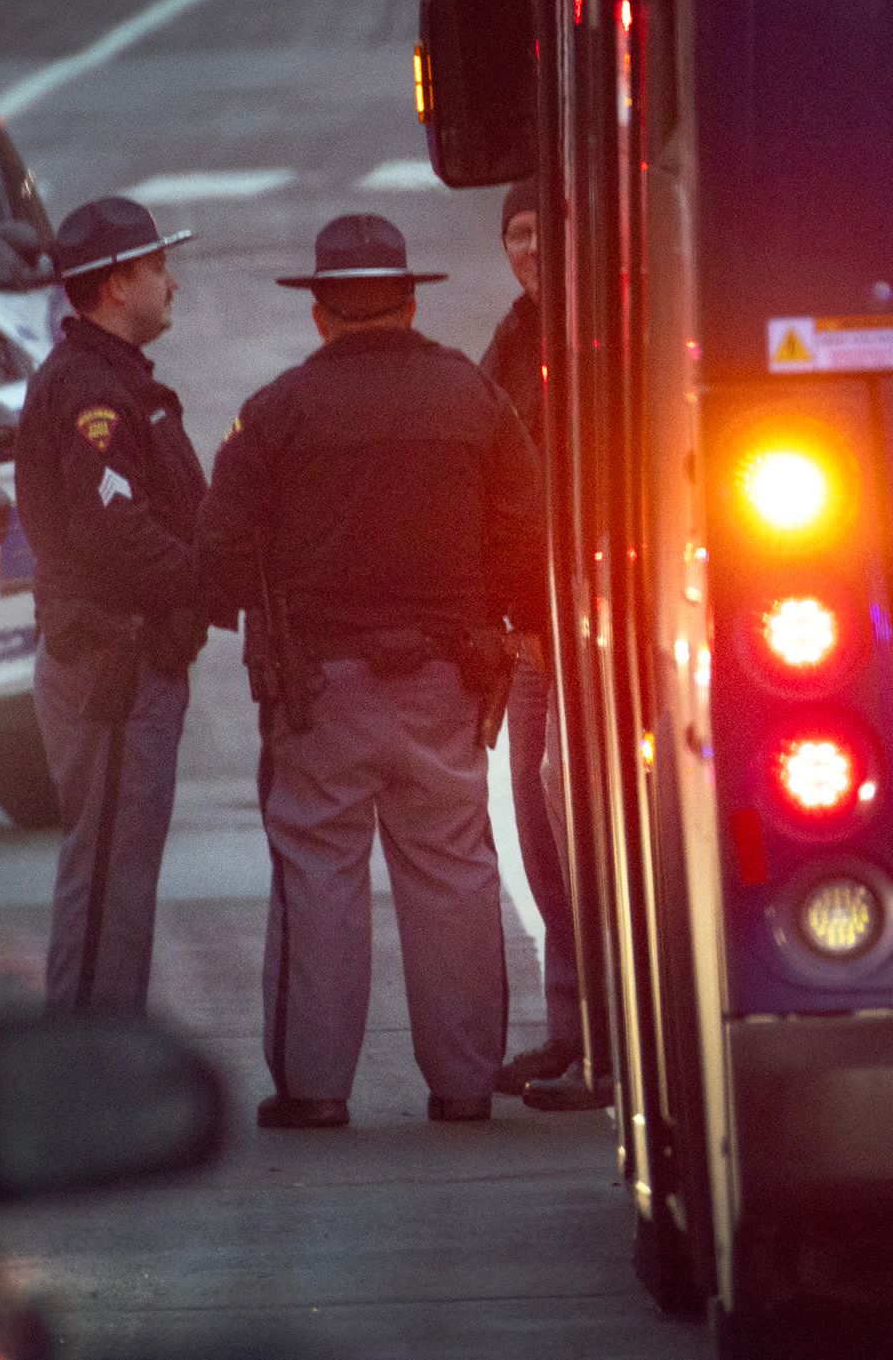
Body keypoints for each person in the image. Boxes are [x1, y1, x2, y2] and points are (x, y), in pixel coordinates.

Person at [199, 213, 541, 1129]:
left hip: (320, 689)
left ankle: (314, 1089)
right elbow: (525, 530)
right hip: (447, 678)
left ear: (320, 313)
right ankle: (466, 1084)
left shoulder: (275, 412)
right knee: (455, 869)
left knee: (317, 869)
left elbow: (223, 548)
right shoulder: (473, 397)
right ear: (412, 300)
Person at [9, 195, 207, 1012]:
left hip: (128, 664)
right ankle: (87, 1064)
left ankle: (102, 1044)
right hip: (112, 667)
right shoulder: (92, 394)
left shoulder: (116, 382)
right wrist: (215, 582)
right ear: (118, 284)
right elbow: (115, 535)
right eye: (158, 267)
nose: (172, 281)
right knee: (105, 876)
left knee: (119, 871)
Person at [477, 184, 605, 1110]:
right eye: (515, 233)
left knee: (580, 816)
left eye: (539, 231)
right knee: (538, 819)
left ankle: (605, 1024)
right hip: (530, 621)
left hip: (590, 615)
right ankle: (571, 1024)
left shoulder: (603, 329)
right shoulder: (515, 337)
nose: (527, 248)